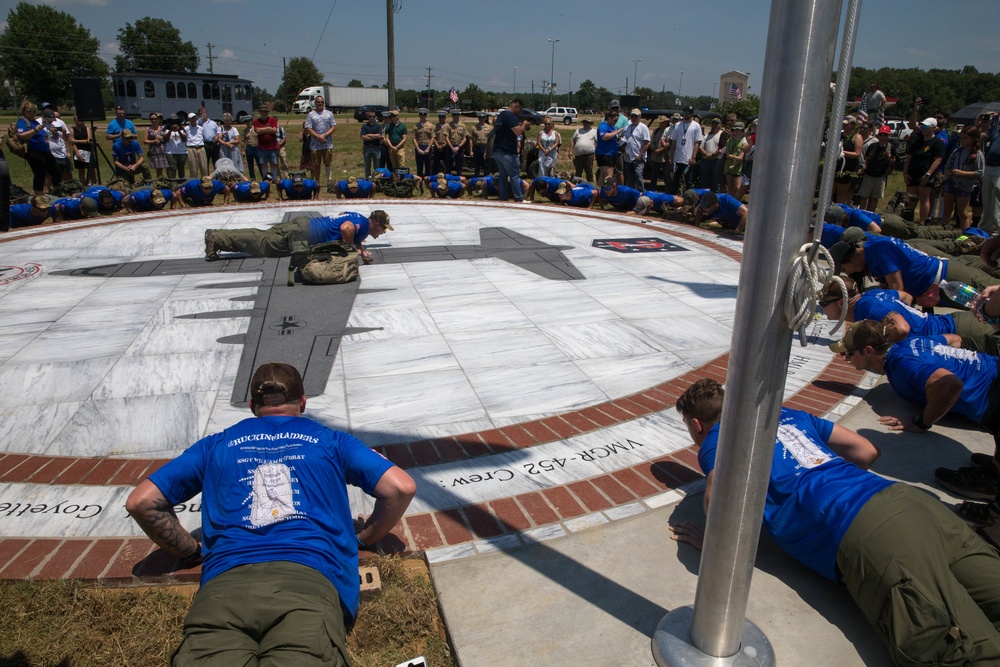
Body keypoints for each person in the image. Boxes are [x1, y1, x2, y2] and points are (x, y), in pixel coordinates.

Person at [670, 378, 1000, 666]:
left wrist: (714, 541)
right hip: (911, 504)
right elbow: (866, 451)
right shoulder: (787, 415)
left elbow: (720, 496)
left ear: (697, 425)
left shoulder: (716, 440)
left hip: (872, 538)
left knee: (962, 654)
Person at [126, 362, 415, 665]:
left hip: (224, 588)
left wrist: (190, 550)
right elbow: (400, 487)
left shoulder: (214, 445)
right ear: (303, 402)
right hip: (309, 583)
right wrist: (365, 537)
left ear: (252, 406)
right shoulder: (331, 441)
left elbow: (142, 501)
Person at [832, 319, 1000, 512]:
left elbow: (950, 384)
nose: (845, 357)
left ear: (868, 351)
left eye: (849, 352)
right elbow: (954, 340)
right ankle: (995, 467)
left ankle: (992, 486)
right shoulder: (910, 343)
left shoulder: (901, 364)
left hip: (993, 396)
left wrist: (922, 421)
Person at [819, 275, 1000, 355]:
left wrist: (879, 351)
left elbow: (901, 328)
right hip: (952, 322)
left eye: (823, 304)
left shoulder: (867, 308)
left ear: (841, 303)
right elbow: (906, 296)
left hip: (961, 331)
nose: (822, 309)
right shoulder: (872, 295)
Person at [204, 210, 393, 263]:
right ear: (375, 223)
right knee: (260, 243)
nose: (382, 233)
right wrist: (352, 249)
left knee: (261, 235)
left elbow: (344, 217)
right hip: (304, 235)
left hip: (304, 224)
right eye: (383, 229)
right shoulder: (363, 225)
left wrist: (360, 247)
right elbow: (345, 228)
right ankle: (216, 239)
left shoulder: (360, 218)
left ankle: (218, 236)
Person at [904, 117, 946, 225]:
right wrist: (905, 172)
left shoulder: (937, 142)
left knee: (924, 198)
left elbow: (938, 160)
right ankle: (907, 221)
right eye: (922, 126)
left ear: (932, 128)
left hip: (925, 174)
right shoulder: (917, 140)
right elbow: (909, 157)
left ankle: (922, 222)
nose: (923, 128)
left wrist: (928, 174)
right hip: (912, 173)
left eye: (926, 126)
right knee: (909, 199)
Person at [942, 126, 984, 230]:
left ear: (974, 139)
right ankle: (943, 231)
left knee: (962, 213)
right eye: (961, 138)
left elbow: (980, 172)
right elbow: (947, 166)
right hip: (951, 182)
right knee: (947, 210)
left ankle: (965, 236)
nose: (962, 141)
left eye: (966, 138)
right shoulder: (957, 151)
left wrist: (962, 173)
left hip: (964, 185)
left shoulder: (977, 154)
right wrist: (947, 172)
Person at [16, 101, 60, 195]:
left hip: (45, 150)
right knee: (40, 173)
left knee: (55, 171)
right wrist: (36, 130)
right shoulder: (23, 121)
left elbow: (42, 134)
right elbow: (22, 136)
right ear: (24, 112)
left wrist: (50, 131)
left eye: (33, 111)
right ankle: (39, 196)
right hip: (34, 150)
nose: (32, 113)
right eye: (29, 111)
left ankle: (58, 193)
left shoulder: (35, 122)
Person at [493, 99, 531, 202]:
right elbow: (518, 132)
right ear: (516, 107)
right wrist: (524, 125)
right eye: (520, 110)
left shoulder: (501, 115)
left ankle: (503, 197)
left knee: (503, 176)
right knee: (514, 176)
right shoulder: (510, 116)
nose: (519, 113)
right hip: (508, 151)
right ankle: (518, 198)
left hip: (497, 150)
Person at [857, 124, 894, 212]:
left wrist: (890, 158)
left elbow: (893, 160)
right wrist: (869, 157)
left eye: (885, 135)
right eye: (881, 135)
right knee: (864, 196)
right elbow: (866, 158)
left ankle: (871, 213)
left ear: (889, 135)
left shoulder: (890, 147)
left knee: (874, 198)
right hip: (869, 174)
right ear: (878, 135)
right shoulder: (873, 146)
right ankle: (862, 212)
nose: (882, 137)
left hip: (880, 175)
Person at [668, 106, 703, 195]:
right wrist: (671, 156)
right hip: (677, 158)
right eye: (685, 112)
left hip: (688, 159)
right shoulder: (678, 126)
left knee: (688, 181)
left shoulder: (696, 126)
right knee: (675, 180)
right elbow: (674, 142)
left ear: (691, 114)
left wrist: (693, 157)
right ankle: (674, 199)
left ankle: (688, 200)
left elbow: (697, 143)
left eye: (688, 112)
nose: (686, 114)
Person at [304, 96, 336, 187]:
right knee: (316, 164)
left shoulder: (329, 113)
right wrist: (318, 137)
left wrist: (324, 135)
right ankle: (317, 182)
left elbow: (333, 127)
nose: (320, 104)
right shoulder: (311, 114)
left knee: (327, 162)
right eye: (318, 102)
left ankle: (329, 181)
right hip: (315, 144)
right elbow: (308, 128)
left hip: (327, 143)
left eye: (322, 102)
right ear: (315, 103)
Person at [835, 116, 864, 203]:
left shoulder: (856, 137)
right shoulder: (839, 135)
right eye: (843, 124)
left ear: (852, 125)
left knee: (841, 193)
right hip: (836, 167)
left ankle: (840, 212)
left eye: (846, 124)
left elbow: (857, 154)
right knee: (831, 191)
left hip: (847, 168)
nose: (844, 125)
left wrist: (843, 153)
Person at [622, 109, 650, 192]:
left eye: (636, 116)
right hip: (628, 157)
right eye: (632, 116)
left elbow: (647, 143)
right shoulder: (627, 127)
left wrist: (641, 154)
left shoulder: (643, 127)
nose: (633, 118)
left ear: (640, 117)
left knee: (638, 174)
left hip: (638, 157)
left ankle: (642, 192)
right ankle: (632, 193)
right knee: (629, 177)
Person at [595, 110, 623, 188]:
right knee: (608, 175)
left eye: (617, 121)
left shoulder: (612, 127)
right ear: (609, 118)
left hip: (611, 153)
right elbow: (604, 137)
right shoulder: (603, 126)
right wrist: (616, 132)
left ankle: (600, 192)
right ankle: (607, 192)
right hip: (605, 154)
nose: (615, 122)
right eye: (615, 120)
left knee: (603, 175)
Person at [254, 106, 280, 180]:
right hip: (262, 147)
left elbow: (274, 130)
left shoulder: (272, 120)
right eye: (262, 111)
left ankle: (274, 179)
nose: (264, 113)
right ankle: (266, 179)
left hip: (273, 146)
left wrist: (262, 130)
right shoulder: (256, 121)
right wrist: (268, 128)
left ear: (268, 112)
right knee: (263, 164)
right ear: (260, 112)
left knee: (273, 163)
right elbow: (257, 131)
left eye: (266, 111)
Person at [722, 122, 747, 199]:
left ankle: (736, 204)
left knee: (737, 188)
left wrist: (734, 164)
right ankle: (730, 204)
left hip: (738, 168)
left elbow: (742, 156)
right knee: (730, 188)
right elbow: (727, 155)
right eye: (734, 130)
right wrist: (736, 158)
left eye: (738, 130)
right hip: (728, 166)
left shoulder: (744, 141)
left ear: (742, 131)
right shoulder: (730, 140)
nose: (735, 132)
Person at [570, 118, 597, 183]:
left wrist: (596, 152)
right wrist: (570, 151)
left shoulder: (594, 131)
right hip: (578, 155)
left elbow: (597, 143)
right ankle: (577, 185)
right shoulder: (578, 131)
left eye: (587, 122)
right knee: (578, 171)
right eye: (584, 122)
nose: (585, 124)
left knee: (589, 171)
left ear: (590, 124)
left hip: (589, 154)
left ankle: (590, 185)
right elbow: (573, 141)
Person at [143, 113, 168, 179]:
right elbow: (145, 140)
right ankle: (160, 182)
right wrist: (153, 141)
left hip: (164, 150)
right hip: (154, 151)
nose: (154, 120)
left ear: (158, 119)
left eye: (155, 119)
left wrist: (163, 138)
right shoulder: (148, 129)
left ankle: (169, 182)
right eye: (152, 119)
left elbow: (167, 138)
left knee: (168, 167)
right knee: (159, 169)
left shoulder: (163, 128)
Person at [411, 109, 435, 179]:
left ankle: (428, 179)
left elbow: (432, 138)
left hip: (427, 146)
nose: (422, 116)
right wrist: (418, 149)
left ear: (426, 115)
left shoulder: (431, 126)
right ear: (419, 115)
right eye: (421, 114)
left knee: (428, 165)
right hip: (419, 146)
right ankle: (419, 179)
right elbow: (413, 138)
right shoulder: (415, 126)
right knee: (419, 165)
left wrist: (428, 148)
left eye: (424, 114)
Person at [185, 112, 209, 179]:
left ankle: (205, 182)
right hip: (191, 148)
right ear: (189, 119)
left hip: (201, 148)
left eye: (195, 118)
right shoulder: (186, 129)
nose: (194, 119)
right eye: (192, 118)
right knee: (193, 168)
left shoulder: (200, 128)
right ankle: (194, 181)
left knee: (204, 167)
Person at [445, 110, 466, 176]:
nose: (455, 117)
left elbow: (465, 138)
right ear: (452, 116)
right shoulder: (448, 125)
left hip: (459, 148)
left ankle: (459, 180)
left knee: (459, 166)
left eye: (457, 115)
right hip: (450, 147)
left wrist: (458, 147)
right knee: (449, 165)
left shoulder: (462, 125)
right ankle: (448, 180)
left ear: (459, 116)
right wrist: (452, 147)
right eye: (454, 115)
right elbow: (446, 137)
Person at [470, 112, 491, 177]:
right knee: (477, 165)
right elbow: (470, 139)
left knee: (486, 165)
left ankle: (486, 179)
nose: (481, 119)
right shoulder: (474, 127)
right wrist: (471, 150)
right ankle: (476, 178)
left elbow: (490, 140)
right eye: (480, 117)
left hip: (485, 148)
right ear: (478, 118)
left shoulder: (489, 128)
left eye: (483, 117)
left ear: (485, 118)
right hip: (476, 148)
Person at [242, 116, 259, 181]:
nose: (248, 123)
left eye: (249, 121)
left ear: (251, 121)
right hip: (249, 148)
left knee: (259, 163)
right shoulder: (244, 131)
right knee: (250, 164)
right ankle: (253, 179)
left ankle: (264, 178)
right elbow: (242, 141)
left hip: (257, 147)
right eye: (246, 121)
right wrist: (243, 151)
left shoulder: (256, 129)